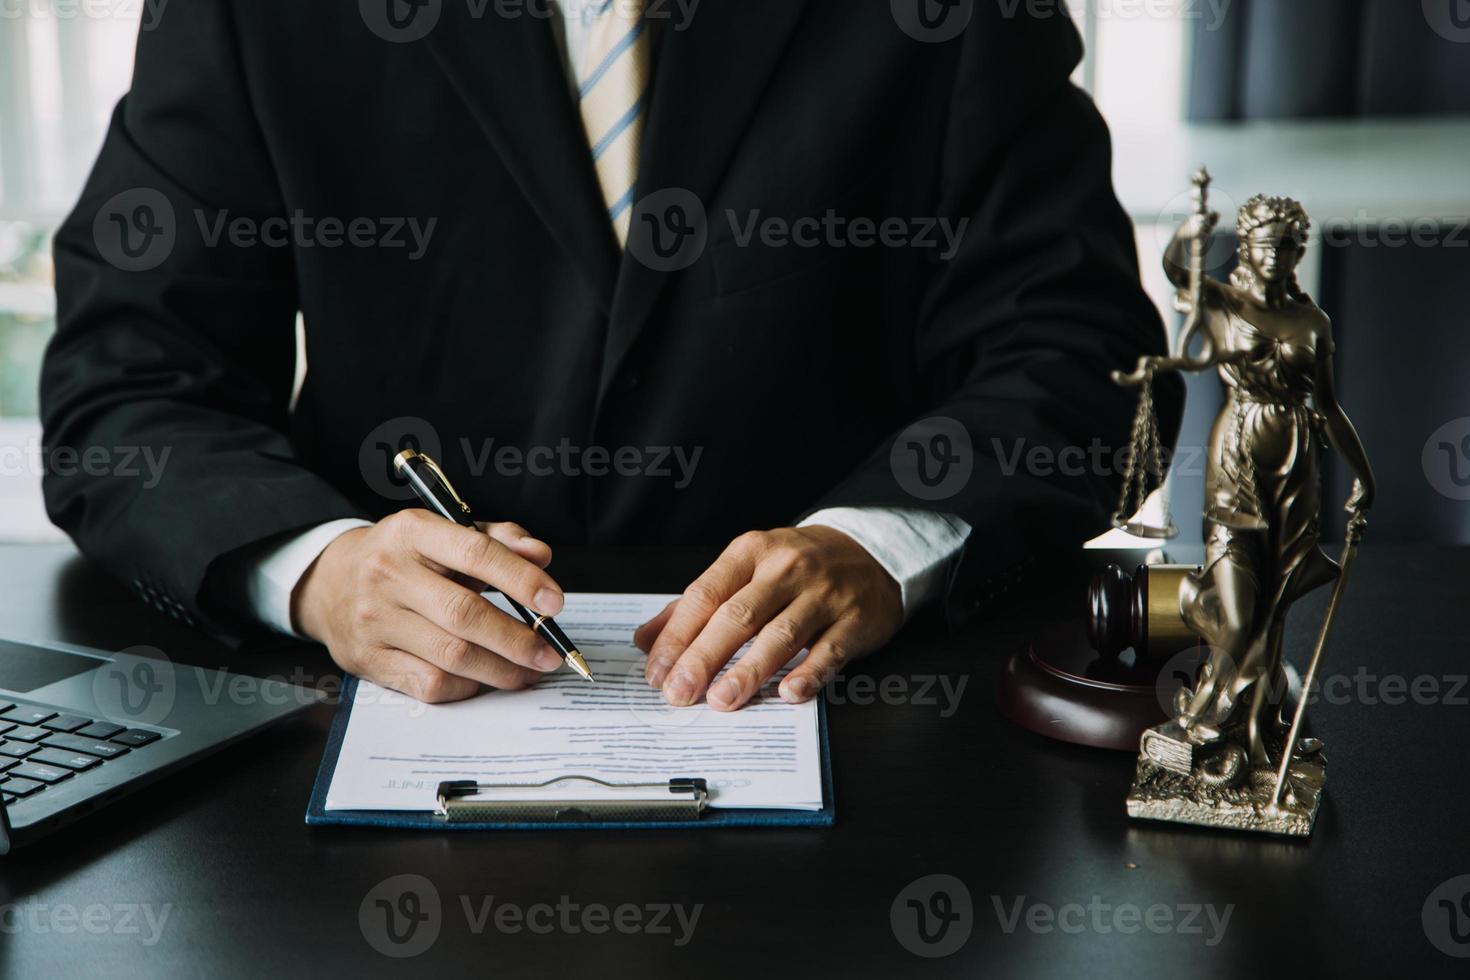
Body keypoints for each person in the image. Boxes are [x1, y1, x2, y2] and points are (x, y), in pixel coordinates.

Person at [41, 1, 1179, 709]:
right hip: (372, 725)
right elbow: (127, 383)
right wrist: (324, 570)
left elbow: (1083, 356)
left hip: (856, 726)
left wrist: (879, 540)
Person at [1140, 194, 1375, 771]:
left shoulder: (1313, 321)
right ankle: (1202, 708)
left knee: (1274, 607)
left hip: (1296, 467)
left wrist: (1364, 475)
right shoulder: (1225, 301)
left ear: (1298, 250)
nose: (1276, 253)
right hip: (1238, 459)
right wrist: (1190, 230)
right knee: (1242, 614)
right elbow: (1176, 269)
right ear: (1245, 245)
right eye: (1265, 242)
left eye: (1288, 244)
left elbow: (1328, 406)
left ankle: (1257, 731)